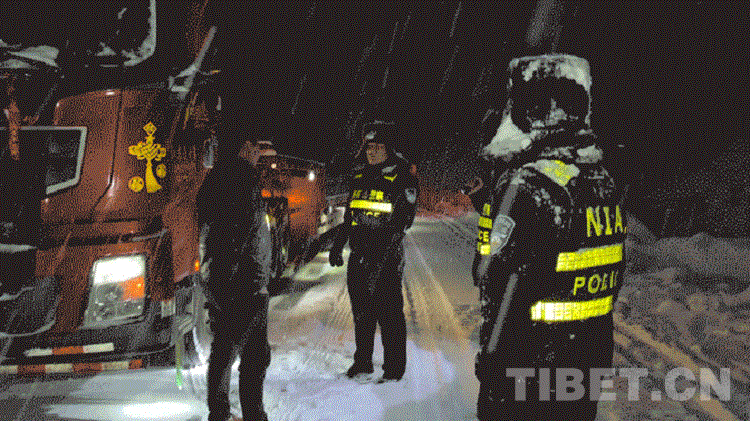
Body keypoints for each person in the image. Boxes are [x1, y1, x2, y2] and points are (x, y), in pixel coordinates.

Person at [469, 54, 626, 420]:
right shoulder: (600, 181)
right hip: (589, 356)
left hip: (528, 363)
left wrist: (493, 362)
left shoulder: (527, 185)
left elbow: (496, 280)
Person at [329, 120, 419, 383]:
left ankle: (394, 370)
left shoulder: (402, 176)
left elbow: (404, 222)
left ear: (388, 148)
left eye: (378, 147)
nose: (372, 152)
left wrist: (382, 255)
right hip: (359, 254)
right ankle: (363, 363)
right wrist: (339, 244)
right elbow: (351, 214)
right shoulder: (359, 175)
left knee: (389, 314)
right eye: (369, 147)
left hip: (386, 257)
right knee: (362, 312)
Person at [197, 137, 272, 421]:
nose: (259, 154)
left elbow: (216, 228)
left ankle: (222, 412)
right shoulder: (241, 180)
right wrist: (239, 280)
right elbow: (238, 234)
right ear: (244, 148)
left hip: (233, 280)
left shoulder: (220, 177)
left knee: (227, 350)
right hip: (243, 283)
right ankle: (248, 414)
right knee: (251, 355)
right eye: (255, 149)